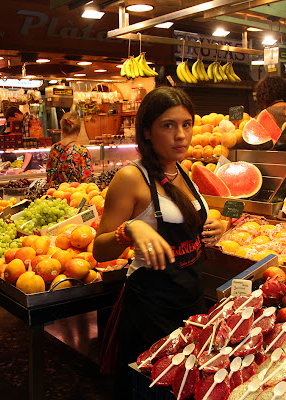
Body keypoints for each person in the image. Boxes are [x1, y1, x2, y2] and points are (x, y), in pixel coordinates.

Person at [92, 87, 224, 399]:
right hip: (150, 311)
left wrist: (215, 226)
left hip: (191, 303)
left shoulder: (184, 172)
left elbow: (188, 223)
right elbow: (99, 249)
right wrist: (130, 230)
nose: (181, 135)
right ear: (147, 132)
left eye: (186, 124)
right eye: (168, 125)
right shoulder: (130, 178)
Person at [46, 112, 92, 187]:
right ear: (79, 130)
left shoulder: (54, 149)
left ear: (63, 129)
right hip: (76, 196)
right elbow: (87, 182)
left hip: (57, 195)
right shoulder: (82, 151)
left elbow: (49, 177)